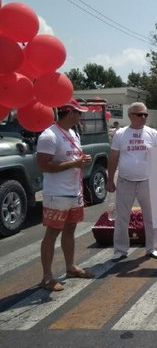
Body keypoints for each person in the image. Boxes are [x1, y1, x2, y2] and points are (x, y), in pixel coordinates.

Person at [37, 98, 95, 291]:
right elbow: (43, 166)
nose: (81, 116)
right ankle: (47, 277)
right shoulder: (49, 135)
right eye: (79, 112)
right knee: (52, 233)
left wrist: (81, 160)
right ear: (70, 112)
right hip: (57, 194)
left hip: (74, 192)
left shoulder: (72, 133)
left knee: (70, 229)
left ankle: (70, 267)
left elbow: (71, 159)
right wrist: (74, 163)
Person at [108, 102, 157, 261]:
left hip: (147, 181)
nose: (143, 117)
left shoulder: (153, 133)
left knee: (151, 216)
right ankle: (120, 250)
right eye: (140, 114)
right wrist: (110, 180)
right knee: (122, 217)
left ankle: (152, 248)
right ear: (131, 116)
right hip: (125, 182)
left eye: (146, 114)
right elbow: (113, 158)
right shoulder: (120, 134)